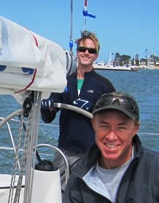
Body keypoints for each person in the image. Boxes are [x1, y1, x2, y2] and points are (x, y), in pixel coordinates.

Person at [40, 31, 115, 187]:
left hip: (92, 151)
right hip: (65, 150)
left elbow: (114, 118)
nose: (86, 53)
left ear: (96, 55)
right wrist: (45, 106)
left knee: (89, 193)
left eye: (91, 50)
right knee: (58, 191)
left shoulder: (104, 85)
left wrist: (96, 110)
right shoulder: (63, 83)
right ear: (77, 52)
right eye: (82, 49)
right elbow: (48, 117)